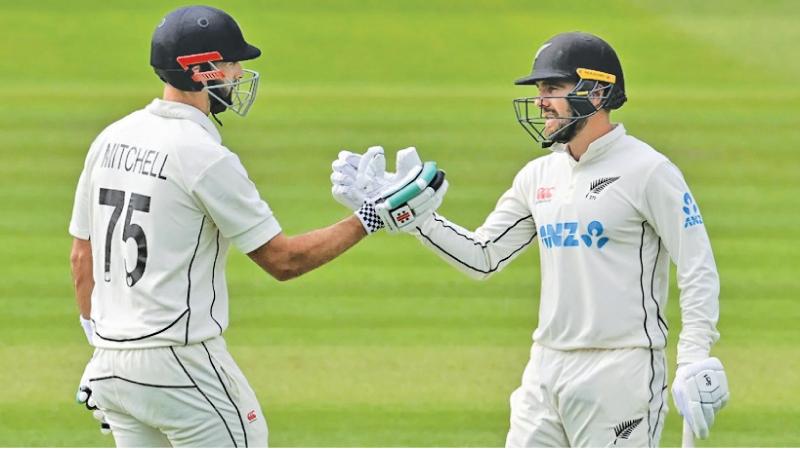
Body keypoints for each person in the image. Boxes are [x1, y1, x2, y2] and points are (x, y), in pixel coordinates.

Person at [68, 5, 444, 447]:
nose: (239, 72)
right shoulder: (203, 156)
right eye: (231, 63)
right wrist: (372, 217)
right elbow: (284, 261)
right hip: (180, 363)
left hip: (111, 366)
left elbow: (81, 257)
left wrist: (107, 351)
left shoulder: (111, 138)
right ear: (201, 70)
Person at [331, 31, 729, 447]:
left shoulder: (649, 171)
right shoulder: (538, 176)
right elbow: (483, 256)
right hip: (544, 371)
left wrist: (694, 357)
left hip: (621, 372)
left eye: (552, 88)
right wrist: (414, 217)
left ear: (596, 93)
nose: (540, 101)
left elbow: (697, 264)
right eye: (540, 89)